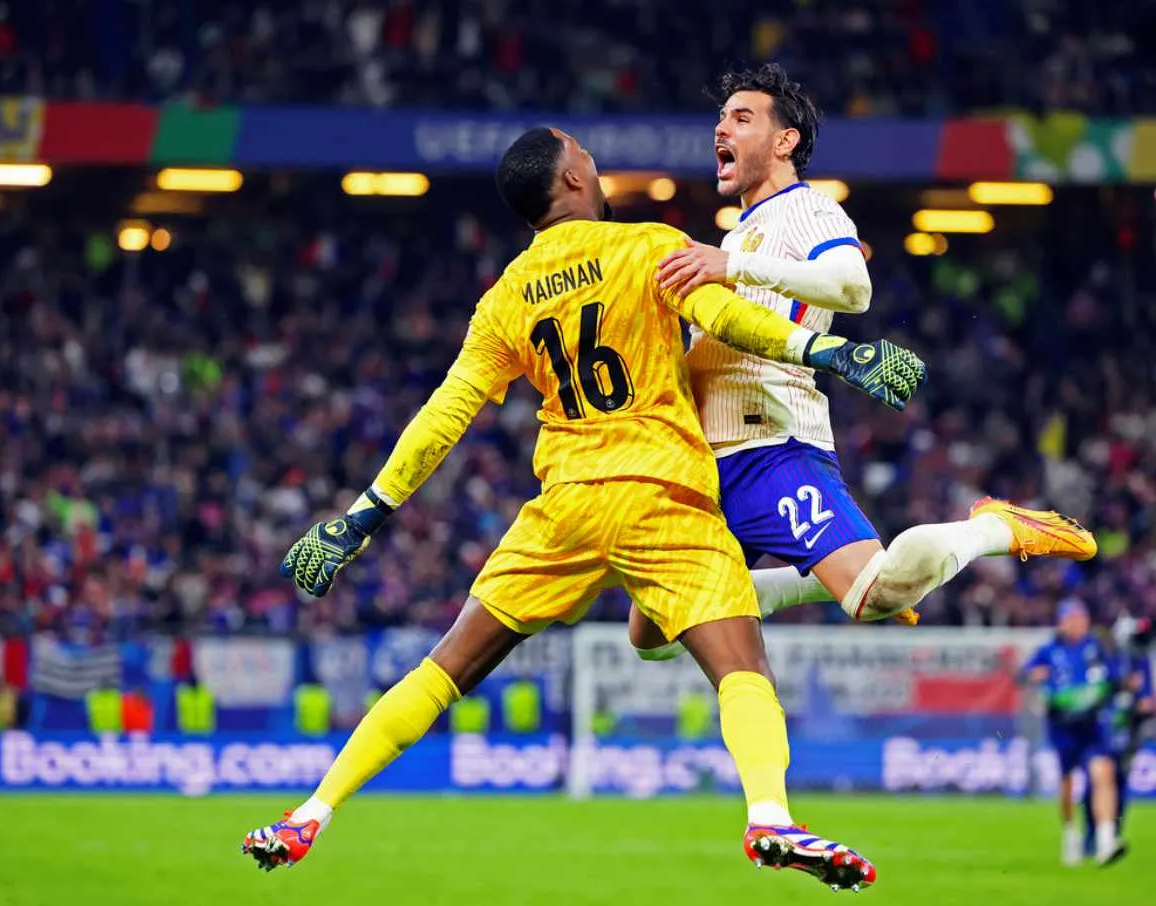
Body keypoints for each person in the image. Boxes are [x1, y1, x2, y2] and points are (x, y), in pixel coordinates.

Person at [241, 125, 926, 890]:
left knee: (445, 668)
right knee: (741, 669)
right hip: (662, 494)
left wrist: (361, 516)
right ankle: (768, 813)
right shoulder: (645, 247)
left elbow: (446, 413)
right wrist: (829, 353)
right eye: (589, 161)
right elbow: (732, 320)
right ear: (569, 183)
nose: (598, 171)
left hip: (564, 505)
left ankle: (312, 810)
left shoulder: (503, 299)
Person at [627, 64, 1095, 662]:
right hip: (706, 462)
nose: (722, 128)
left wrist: (735, 270)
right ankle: (786, 589)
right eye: (720, 118)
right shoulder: (736, 236)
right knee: (653, 637)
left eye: (741, 118)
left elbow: (854, 287)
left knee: (875, 595)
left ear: (784, 141)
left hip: (770, 446)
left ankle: (991, 528)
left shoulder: (806, 211)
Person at [1023, 598, 1124, 866]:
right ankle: (1071, 834)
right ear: (1062, 621)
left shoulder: (1097, 646)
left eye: (1081, 618)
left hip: (1093, 723)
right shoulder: (1049, 649)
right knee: (1067, 783)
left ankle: (1105, 841)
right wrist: (1035, 677)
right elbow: (1024, 674)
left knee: (1103, 773)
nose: (1078, 623)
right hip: (1062, 725)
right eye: (1072, 618)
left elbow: (1115, 677)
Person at [1084, 615, 1153, 858]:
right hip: (1101, 726)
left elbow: (1146, 697)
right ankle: (1093, 836)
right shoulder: (1103, 657)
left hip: (1130, 727)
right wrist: (1123, 685)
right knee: (1099, 780)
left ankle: (1111, 834)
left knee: (1120, 781)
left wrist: (1143, 701)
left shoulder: (1140, 658)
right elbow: (1096, 690)